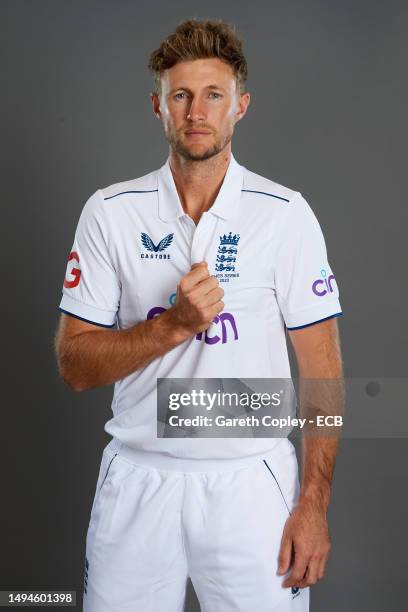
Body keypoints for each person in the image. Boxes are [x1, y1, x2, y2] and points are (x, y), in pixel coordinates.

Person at [54, 18, 344, 612]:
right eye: (180, 95)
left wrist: (313, 505)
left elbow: (324, 377)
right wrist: (175, 325)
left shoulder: (285, 215)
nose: (196, 111)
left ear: (241, 106)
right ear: (157, 107)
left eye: (213, 95)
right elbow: (74, 366)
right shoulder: (110, 212)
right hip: (139, 478)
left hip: (251, 481)